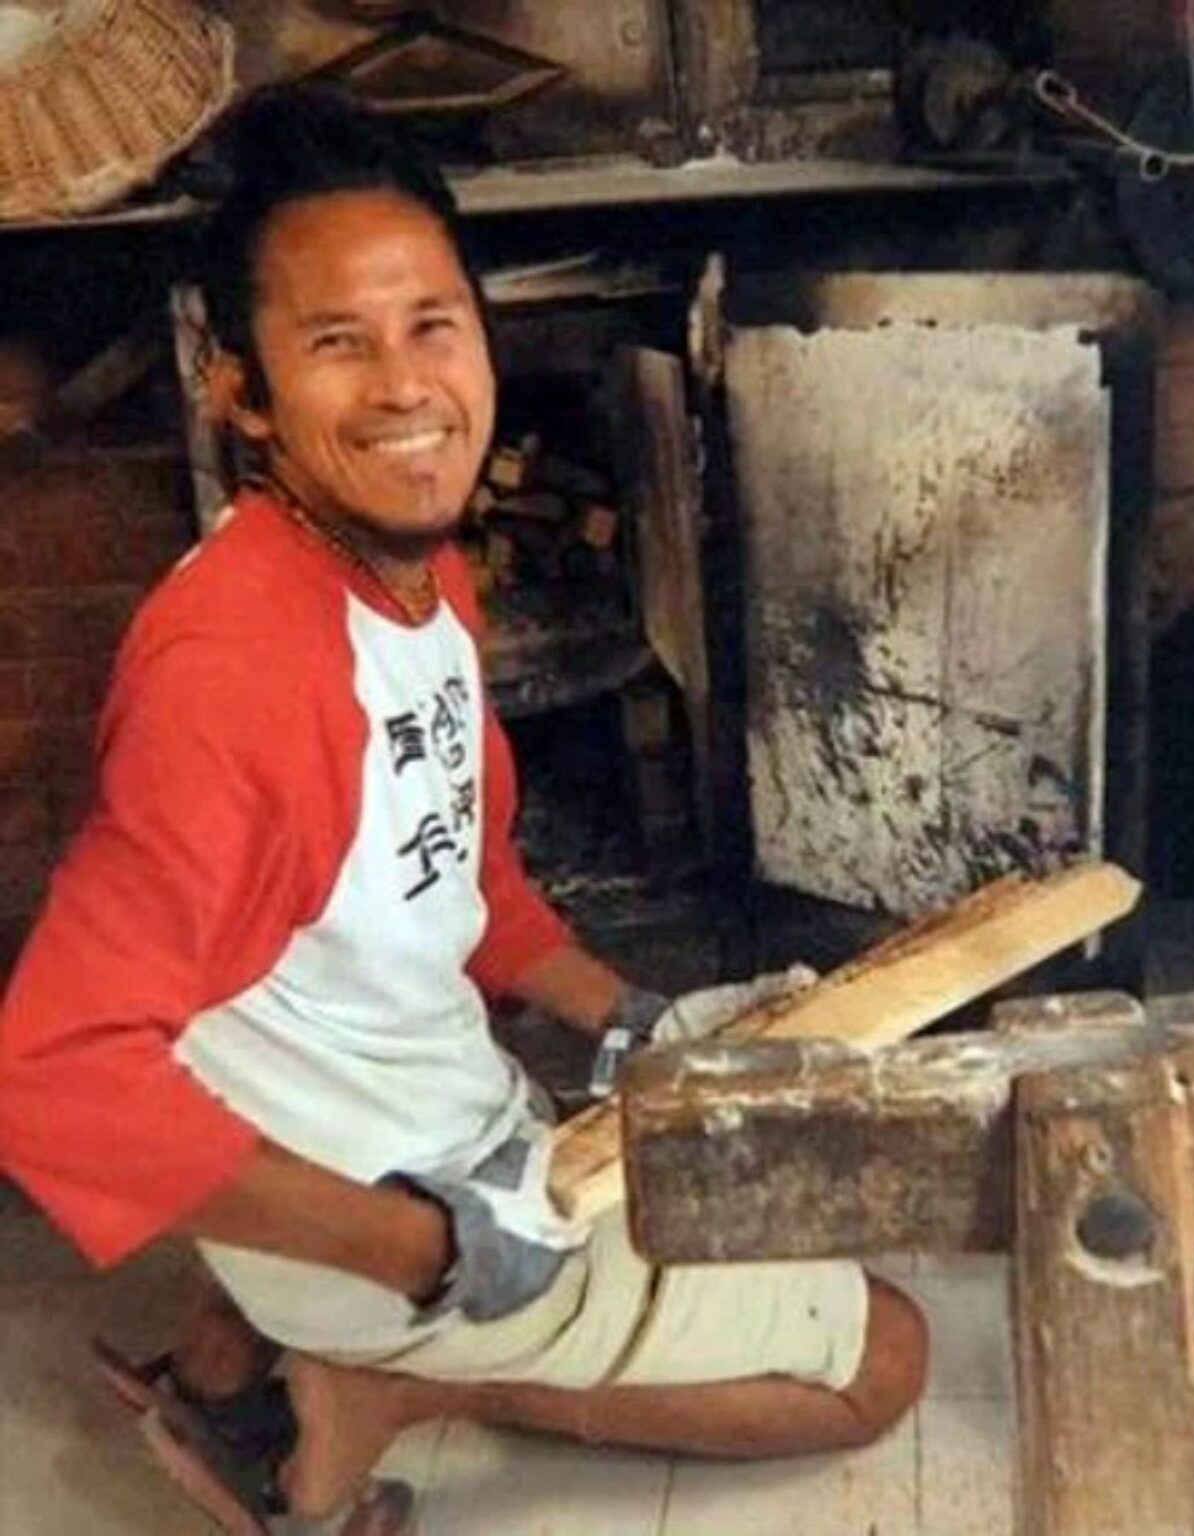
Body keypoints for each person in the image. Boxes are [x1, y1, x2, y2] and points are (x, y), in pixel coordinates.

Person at [0, 87, 925, 1531]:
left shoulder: (411, 581)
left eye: (432, 323)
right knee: (884, 1358)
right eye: (334, 343)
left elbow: (463, 884)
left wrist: (632, 1022)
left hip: (446, 1124)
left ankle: (236, 1354)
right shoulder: (233, 673)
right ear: (238, 391)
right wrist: (416, 1250)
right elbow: (51, 1078)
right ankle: (387, 1381)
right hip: (378, 1215)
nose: (405, 387)